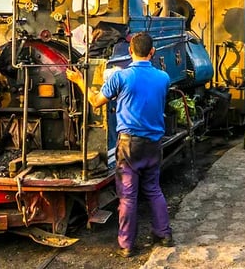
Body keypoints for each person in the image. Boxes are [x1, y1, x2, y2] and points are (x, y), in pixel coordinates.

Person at [66, 32, 174, 258]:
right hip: (154, 143)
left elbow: (96, 103)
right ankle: (164, 235)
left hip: (129, 146)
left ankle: (127, 245)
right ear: (152, 52)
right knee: (154, 189)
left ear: (130, 52)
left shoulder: (121, 77)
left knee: (128, 196)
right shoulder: (163, 78)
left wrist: (79, 81)